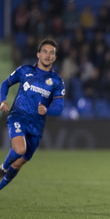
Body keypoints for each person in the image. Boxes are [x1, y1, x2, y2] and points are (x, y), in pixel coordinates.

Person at [0, 38, 65, 190]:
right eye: (44, 52)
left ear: (54, 57)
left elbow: (59, 108)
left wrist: (47, 110)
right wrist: (2, 101)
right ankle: (2, 168)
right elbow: (5, 84)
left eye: (51, 53)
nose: (47, 55)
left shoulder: (57, 82)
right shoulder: (25, 70)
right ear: (38, 54)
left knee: (17, 164)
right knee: (19, 150)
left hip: (36, 127)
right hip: (18, 117)